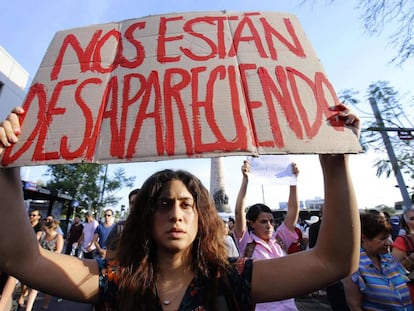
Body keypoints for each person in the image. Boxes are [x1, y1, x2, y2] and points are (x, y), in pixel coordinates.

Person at [0, 105, 360, 310]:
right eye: (164, 204)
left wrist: (336, 164)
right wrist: (7, 169)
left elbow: (334, 262)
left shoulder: (230, 278)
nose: (176, 213)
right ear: (145, 217)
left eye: (187, 205)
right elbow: (23, 260)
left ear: (201, 217)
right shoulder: (114, 279)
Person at [234, 161, 300, 310]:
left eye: (271, 221)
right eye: (263, 221)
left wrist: (293, 181)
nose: (269, 225)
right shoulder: (246, 243)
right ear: (252, 223)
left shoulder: (280, 238)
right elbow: (239, 213)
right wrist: (245, 180)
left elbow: (293, 212)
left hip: (289, 305)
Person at [343, 212, 412, 310]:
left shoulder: (388, 258)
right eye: (383, 239)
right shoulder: (353, 267)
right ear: (364, 238)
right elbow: (355, 306)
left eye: (388, 237)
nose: (389, 243)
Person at [25, 219, 64, 310]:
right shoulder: (41, 234)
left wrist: (45, 254)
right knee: (34, 287)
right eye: (44, 229)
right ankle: (28, 308)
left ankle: (45, 305)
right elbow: (33, 243)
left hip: (51, 264)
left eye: (46, 229)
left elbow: (58, 251)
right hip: (39, 262)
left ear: (51, 229)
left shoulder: (58, 237)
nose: (45, 231)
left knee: (47, 287)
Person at [105, 188, 140, 259]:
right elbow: (109, 253)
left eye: (138, 202)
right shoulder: (120, 226)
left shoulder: (155, 228)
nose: (134, 206)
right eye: (131, 203)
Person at [392, 206, 414, 303]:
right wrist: (411, 258)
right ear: (406, 223)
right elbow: (395, 271)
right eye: (412, 219)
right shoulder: (403, 241)